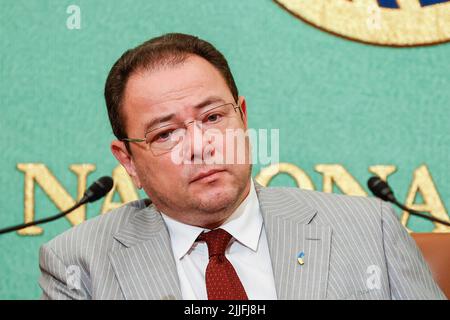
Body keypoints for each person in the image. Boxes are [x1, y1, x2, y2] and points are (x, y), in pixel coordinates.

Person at [38, 33, 445, 300]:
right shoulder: (78, 263)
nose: (200, 145)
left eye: (214, 118)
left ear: (243, 118)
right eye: (165, 134)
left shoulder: (367, 230)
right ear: (128, 160)